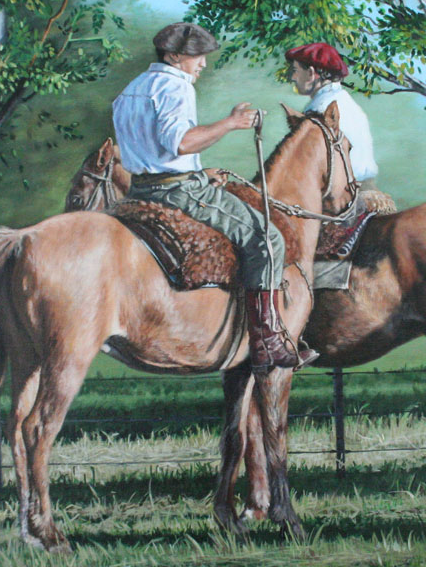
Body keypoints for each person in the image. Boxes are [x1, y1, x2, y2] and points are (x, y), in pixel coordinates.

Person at [112, 22, 318, 371]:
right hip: (178, 192)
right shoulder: (176, 85)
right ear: (173, 55)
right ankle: (268, 340)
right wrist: (231, 123)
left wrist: (199, 171)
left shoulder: (131, 89)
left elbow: (152, 151)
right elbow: (181, 143)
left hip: (140, 189)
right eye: (197, 56)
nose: (203, 64)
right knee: (268, 238)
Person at [286, 43, 380, 190]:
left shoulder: (320, 110)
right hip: (364, 186)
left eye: (296, 71)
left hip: (341, 192)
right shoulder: (345, 101)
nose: (293, 77)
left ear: (311, 73)